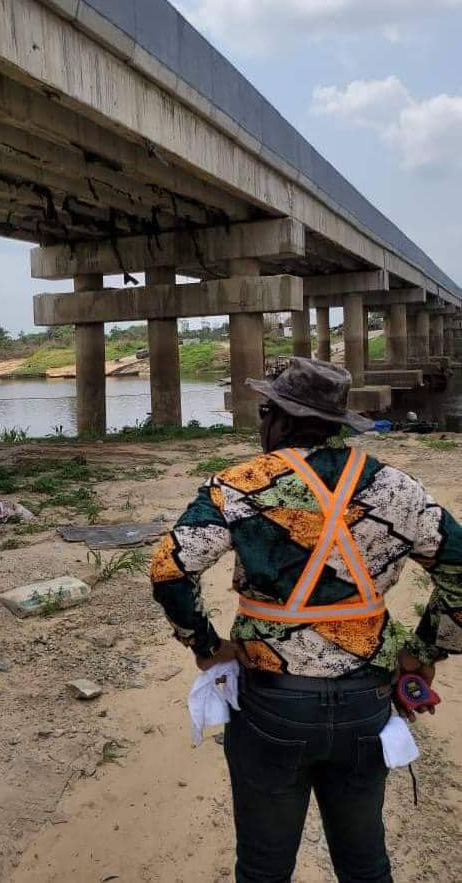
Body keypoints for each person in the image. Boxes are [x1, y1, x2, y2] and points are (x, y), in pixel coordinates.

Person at [150, 357, 462, 883]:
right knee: (365, 861)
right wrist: (424, 650)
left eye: (264, 411)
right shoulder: (395, 487)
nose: (260, 422)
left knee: (264, 865)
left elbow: (169, 568)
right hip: (369, 696)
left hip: (271, 699)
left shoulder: (239, 484)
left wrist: (204, 644)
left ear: (280, 419)